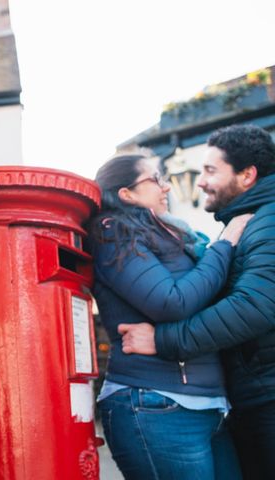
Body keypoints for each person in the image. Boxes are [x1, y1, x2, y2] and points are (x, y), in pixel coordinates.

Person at [119, 124, 275, 479]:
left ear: (247, 175)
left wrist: (162, 340)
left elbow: (255, 306)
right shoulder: (247, 221)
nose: (201, 181)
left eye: (210, 170)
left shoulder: (268, 221)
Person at [88, 153, 251, 480]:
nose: (165, 187)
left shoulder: (175, 234)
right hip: (155, 402)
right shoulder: (113, 231)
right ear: (127, 194)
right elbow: (171, 302)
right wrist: (226, 243)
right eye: (155, 179)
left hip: (208, 404)